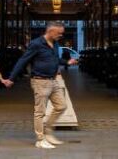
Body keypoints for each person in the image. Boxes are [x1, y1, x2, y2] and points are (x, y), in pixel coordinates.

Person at [6, 21, 77, 149]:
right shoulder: (36, 44)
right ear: (50, 31)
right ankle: (40, 139)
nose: (61, 35)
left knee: (61, 106)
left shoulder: (55, 43)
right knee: (40, 112)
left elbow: (55, 59)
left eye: (62, 33)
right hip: (40, 81)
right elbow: (23, 60)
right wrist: (12, 78)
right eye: (59, 33)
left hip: (53, 80)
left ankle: (48, 131)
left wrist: (67, 62)